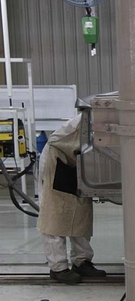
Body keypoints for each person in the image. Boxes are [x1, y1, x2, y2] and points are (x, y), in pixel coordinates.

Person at [37, 114, 106, 284]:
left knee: (81, 210)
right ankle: (58, 267)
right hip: (57, 156)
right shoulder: (100, 116)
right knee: (55, 214)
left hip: (77, 159)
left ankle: (82, 262)